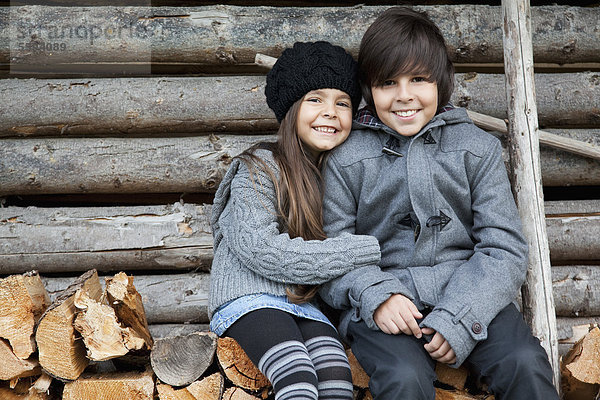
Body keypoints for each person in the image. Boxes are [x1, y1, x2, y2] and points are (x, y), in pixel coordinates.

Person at [318, 7, 559, 400]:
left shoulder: (475, 149)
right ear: (368, 89)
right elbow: (331, 249)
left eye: (418, 79)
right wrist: (376, 296)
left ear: (442, 81)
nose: (404, 95)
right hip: (386, 304)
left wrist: (462, 316)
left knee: (524, 364)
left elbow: (504, 247)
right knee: (402, 377)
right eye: (388, 83)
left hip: (472, 295)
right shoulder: (347, 159)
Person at [208, 41, 381, 400]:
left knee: (336, 377)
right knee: (296, 375)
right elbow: (262, 250)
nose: (330, 112)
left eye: (343, 102)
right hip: (249, 298)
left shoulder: (339, 176)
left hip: (303, 305)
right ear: (291, 108)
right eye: (315, 100)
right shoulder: (256, 169)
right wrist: (364, 249)